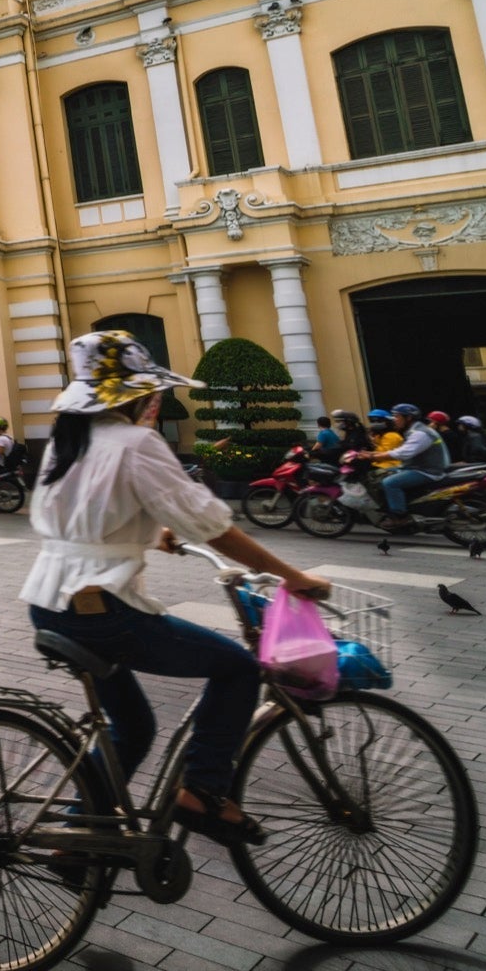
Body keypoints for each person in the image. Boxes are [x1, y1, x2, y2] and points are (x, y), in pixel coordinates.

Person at [22, 330, 331, 846]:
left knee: (134, 727)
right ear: (139, 394)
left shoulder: (68, 440)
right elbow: (214, 528)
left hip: (51, 603)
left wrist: (151, 530)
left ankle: (83, 830)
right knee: (237, 668)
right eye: (154, 392)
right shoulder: (137, 442)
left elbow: (89, 516)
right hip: (102, 611)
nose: (157, 400)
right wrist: (294, 578)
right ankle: (205, 792)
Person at [374, 403, 449, 528]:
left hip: (427, 471)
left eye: (397, 417)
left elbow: (404, 453)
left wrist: (373, 456)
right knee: (382, 473)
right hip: (418, 467)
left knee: (390, 483)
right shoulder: (415, 430)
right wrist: (371, 453)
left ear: (408, 418)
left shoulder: (419, 433)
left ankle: (400, 516)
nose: (394, 420)